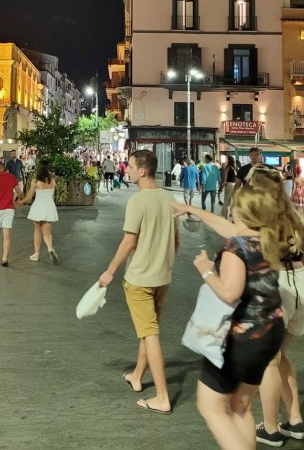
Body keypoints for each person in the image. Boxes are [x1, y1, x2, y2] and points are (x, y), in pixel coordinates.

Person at [170, 176, 295, 450]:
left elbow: (229, 292)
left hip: (241, 338)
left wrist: (204, 268)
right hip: (270, 331)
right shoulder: (267, 238)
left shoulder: (235, 247)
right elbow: (229, 229)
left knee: (211, 406)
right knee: (241, 407)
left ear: (241, 210)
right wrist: (191, 209)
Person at [99, 149, 179, 414]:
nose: (127, 169)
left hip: (140, 278)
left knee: (150, 334)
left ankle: (162, 396)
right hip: (162, 277)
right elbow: (175, 242)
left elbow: (128, 241)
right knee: (150, 329)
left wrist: (110, 271)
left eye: (131, 166)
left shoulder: (137, 201)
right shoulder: (169, 198)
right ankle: (136, 376)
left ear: (142, 170)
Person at [248, 168, 304, 446]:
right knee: (280, 355)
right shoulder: (295, 219)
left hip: (278, 285)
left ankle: (270, 428)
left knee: (269, 360)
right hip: (300, 283)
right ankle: (295, 420)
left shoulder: (262, 219)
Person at [17, 161, 60, 264]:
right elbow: (53, 196)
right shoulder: (53, 181)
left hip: (39, 207)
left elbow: (29, 196)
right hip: (49, 207)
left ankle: (36, 254)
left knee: (37, 230)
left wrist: (20, 202)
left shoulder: (35, 181)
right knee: (47, 233)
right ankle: (50, 248)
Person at [0, 161, 22, 267]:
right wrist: (18, 201)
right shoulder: (11, 177)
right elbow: (20, 192)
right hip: (8, 209)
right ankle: (5, 258)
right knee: (7, 235)